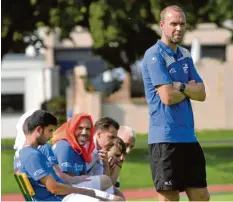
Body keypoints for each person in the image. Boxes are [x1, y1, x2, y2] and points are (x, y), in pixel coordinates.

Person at [141, 5, 209, 202]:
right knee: (170, 199)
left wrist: (179, 87)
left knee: (202, 197)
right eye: (173, 24)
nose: (178, 28)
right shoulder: (154, 55)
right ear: (162, 25)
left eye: (182, 24)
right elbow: (167, 97)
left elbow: (202, 93)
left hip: (188, 137)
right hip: (165, 139)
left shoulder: (185, 55)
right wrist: (187, 88)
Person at [14, 110, 115, 201]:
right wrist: (83, 191)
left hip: (61, 196)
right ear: (39, 130)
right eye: (50, 130)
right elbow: (54, 188)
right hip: (61, 198)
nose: (52, 136)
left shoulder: (23, 155)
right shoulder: (32, 155)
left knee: (113, 198)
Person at [51, 113, 117, 195]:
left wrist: (106, 165)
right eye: (80, 128)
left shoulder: (81, 150)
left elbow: (84, 176)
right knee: (106, 181)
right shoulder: (65, 146)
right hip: (63, 194)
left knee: (114, 191)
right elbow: (67, 181)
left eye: (88, 129)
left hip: (74, 189)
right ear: (73, 128)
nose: (84, 132)